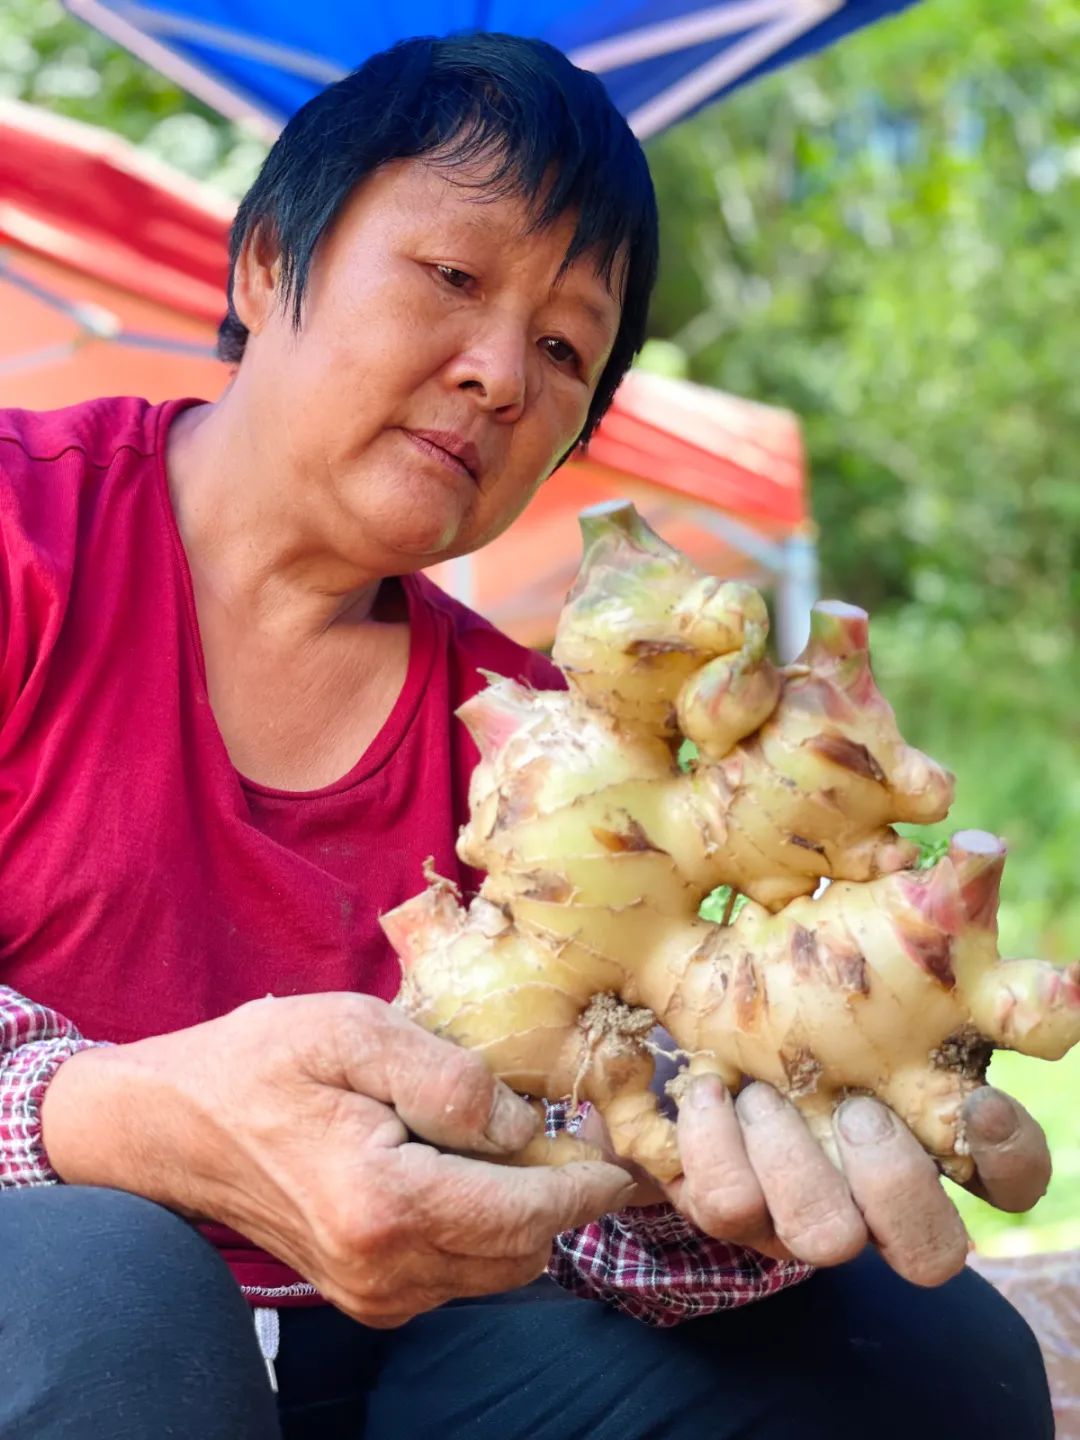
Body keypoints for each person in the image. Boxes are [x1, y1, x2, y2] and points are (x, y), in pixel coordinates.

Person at [0, 32, 1054, 1440]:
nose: (500, 374)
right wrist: (106, 1114)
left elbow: (573, 1177)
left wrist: (716, 1180)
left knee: (917, 1348)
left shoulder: (557, 764)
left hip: (384, 1361)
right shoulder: (26, 533)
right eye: (450, 277)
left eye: (565, 349)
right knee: (112, 1283)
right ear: (266, 264)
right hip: (67, 1332)